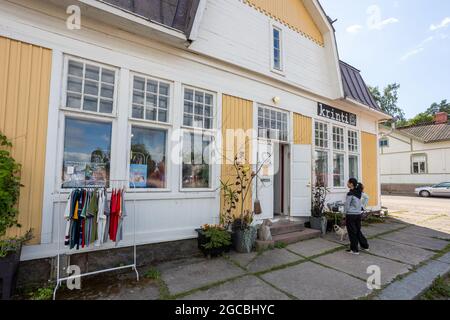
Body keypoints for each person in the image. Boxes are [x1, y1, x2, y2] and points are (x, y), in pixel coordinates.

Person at [344, 178, 369, 255]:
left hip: (351, 215)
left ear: (351, 184)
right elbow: (367, 197)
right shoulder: (359, 192)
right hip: (358, 215)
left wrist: (344, 213)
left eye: (348, 182)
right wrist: (362, 207)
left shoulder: (350, 194)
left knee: (352, 232)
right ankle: (365, 246)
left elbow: (347, 205)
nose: (347, 183)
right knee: (357, 231)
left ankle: (354, 250)